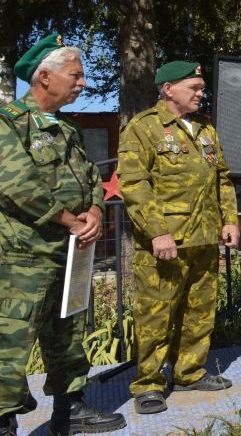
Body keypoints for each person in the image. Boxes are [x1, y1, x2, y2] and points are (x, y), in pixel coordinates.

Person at [0, 35, 126, 436]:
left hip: (68, 253)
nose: (83, 83)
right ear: (43, 76)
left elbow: (91, 178)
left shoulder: (65, 130)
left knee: (67, 332)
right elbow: (16, 183)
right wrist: (69, 219)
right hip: (22, 257)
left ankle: (69, 411)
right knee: (10, 342)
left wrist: (92, 210)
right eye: (75, 75)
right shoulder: (9, 122)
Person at [118, 61, 240, 415]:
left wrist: (230, 219)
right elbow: (134, 185)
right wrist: (158, 232)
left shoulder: (205, 129)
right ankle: (148, 384)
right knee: (156, 314)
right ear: (168, 89)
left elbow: (222, 177)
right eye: (194, 88)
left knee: (199, 311)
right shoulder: (143, 128)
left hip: (204, 237)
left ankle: (189, 372)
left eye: (201, 88)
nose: (201, 93)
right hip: (166, 242)